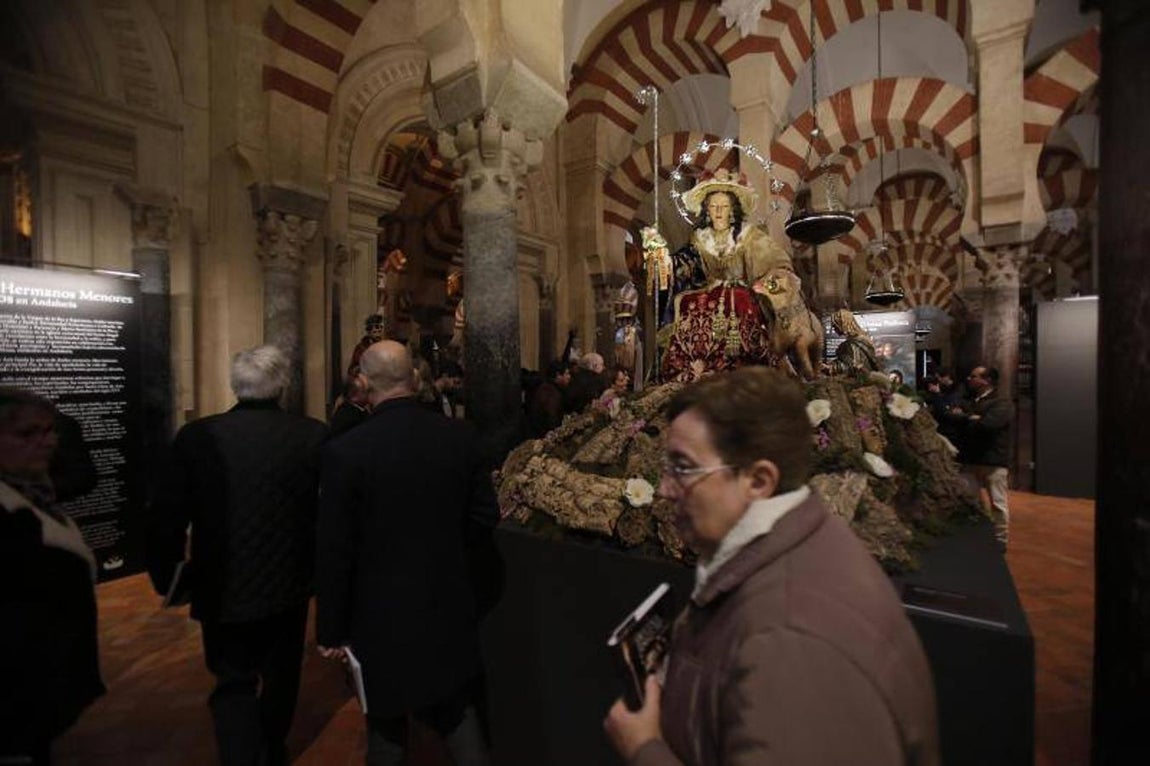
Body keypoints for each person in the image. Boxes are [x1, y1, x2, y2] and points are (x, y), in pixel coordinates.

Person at [603, 368, 938, 766]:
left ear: (759, 480)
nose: (664, 488)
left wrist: (644, 750)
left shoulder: (792, 640)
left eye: (683, 467)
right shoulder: (791, 552)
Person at [316, 340, 498, 766]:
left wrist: (330, 629)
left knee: (385, 728)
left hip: (377, 612)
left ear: (362, 382)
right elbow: (484, 516)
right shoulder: (459, 438)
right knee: (459, 717)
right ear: (415, 378)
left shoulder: (345, 453)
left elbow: (334, 549)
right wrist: (448, 552)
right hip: (447, 598)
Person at [147, 345, 326, 766]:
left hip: (221, 581)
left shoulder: (198, 436)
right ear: (282, 385)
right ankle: (272, 747)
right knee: (282, 675)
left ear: (236, 385)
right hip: (290, 581)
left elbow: (167, 516)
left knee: (232, 682)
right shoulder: (311, 435)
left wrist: (170, 575)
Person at [0, 388, 105, 765]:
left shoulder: (33, 495)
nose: (46, 443)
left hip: (37, 684)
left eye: (48, 431)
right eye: (27, 434)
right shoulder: (12, 515)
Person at [659, 169, 793, 381]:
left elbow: (774, 260)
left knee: (739, 299)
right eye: (713, 207)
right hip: (709, 290)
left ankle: (744, 359)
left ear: (733, 209)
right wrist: (666, 261)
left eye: (724, 206)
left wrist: (771, 280)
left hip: (740, 290)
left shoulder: (748, 236)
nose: (718, 212)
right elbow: (687, 262)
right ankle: (693, 365)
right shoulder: (700, 239)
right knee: (684, 301)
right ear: (706, 210)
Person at [954, 365, 1015, 548]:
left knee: (998, 503)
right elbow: (954, 420)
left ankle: (1000, 540)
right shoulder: (969, 401)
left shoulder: (1002, 402)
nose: (969, 379)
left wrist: (968, 419)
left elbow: (989, 425)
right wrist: (971, 418)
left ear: (986, 380)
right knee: (970, 502)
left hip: (993, 460)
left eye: (974, 376)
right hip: (970, 459)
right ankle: (976, 537)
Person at [824, 308, 881, 376]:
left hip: (858, 381)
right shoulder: (864, 339)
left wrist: (831, 368)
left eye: (835, 325)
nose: (834, 328)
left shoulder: (852, 343)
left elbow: (853, 366)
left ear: (843, 323)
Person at [527, 359, 571, 437]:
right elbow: (550, 418)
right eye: (567, 373)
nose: (569, 377)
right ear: (558, 375)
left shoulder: (549, 388)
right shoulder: (550, 392)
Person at [329, 373, 372, 439]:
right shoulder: (347, 416)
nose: (369, 395)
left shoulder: (359, 410)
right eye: (364, 392)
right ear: (354, 396)